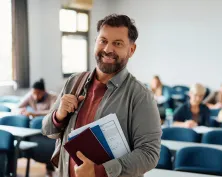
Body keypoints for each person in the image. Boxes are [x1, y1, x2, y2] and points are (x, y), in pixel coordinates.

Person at [42, 14, 161, 177]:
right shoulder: (74, 82)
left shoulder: (140, 96)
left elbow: (149, 154)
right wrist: (59, 115)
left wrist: (100, 171)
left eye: (117, 43)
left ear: (131, 50)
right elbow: (47, 130)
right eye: (103, 41)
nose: (107, 49)